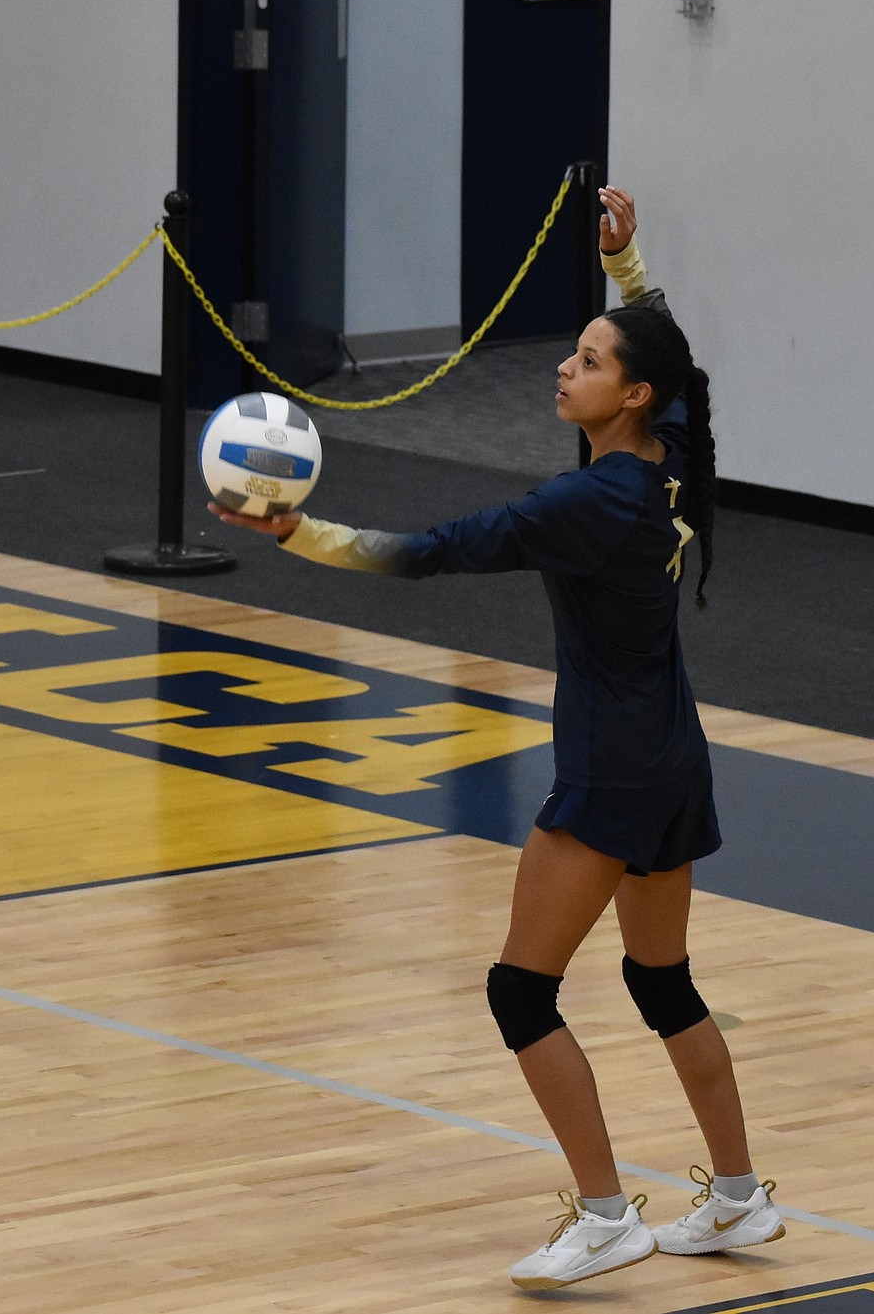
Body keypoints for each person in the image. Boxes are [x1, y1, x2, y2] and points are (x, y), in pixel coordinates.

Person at [210, 186, 784, 1290]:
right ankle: (742, 1198)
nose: (565, 369)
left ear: (632, 396)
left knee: (521, 992)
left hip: (612, 770)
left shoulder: (592, 504)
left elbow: (434, 551)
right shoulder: (676, 458)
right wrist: (626, 266)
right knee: (662, 981)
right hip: (673, 757)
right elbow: (687, 367)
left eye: (589, 358)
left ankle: (608, 1213)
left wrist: (296, 532)